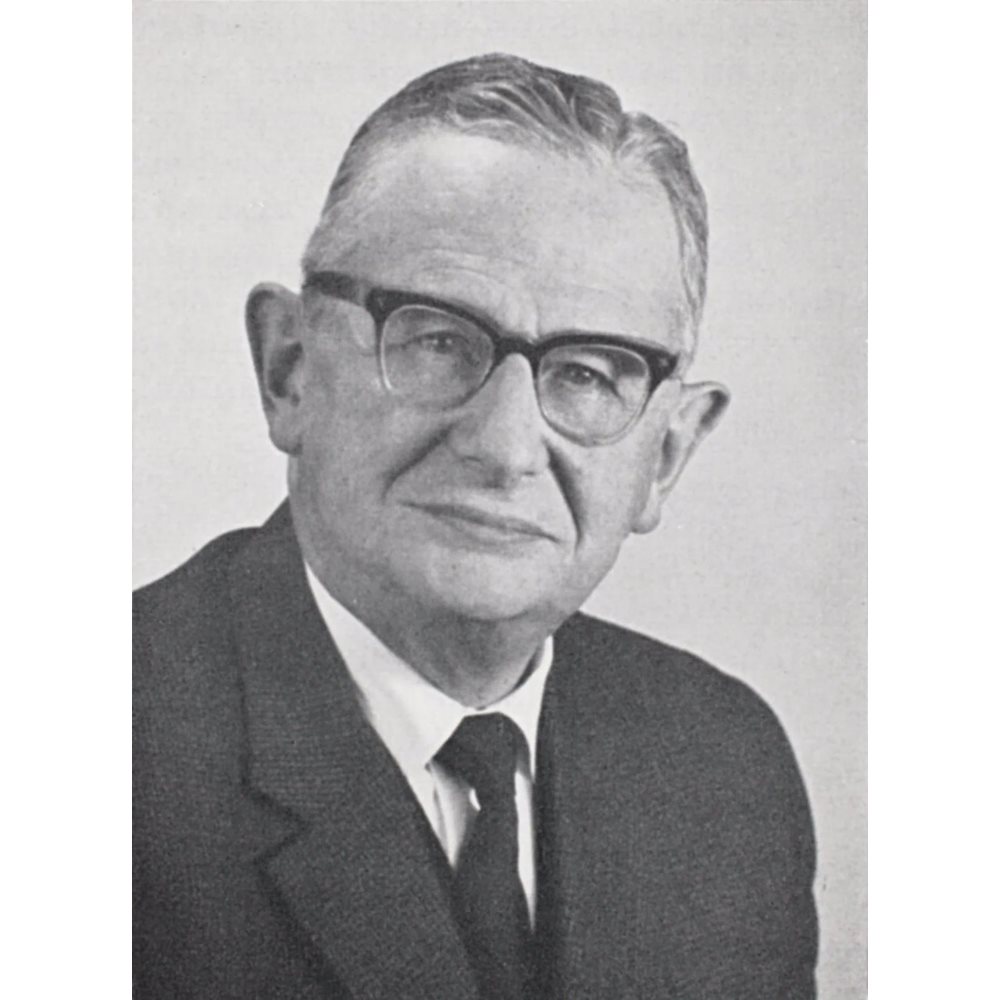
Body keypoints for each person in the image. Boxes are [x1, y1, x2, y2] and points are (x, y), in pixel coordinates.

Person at [133, 53, 818, 1000]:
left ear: (666, 456)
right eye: (437, 340)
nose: (504, 445)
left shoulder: (721, 768)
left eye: (588, 374)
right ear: (289, 370)